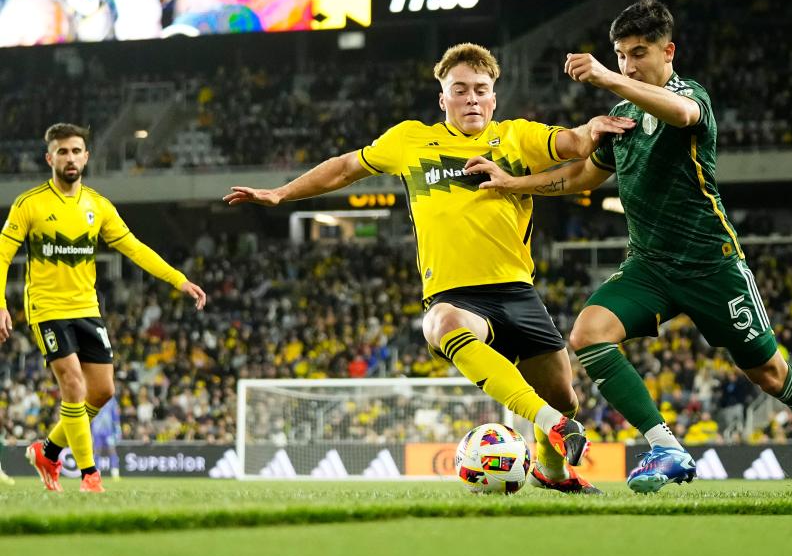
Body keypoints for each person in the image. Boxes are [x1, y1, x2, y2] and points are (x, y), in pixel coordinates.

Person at [463, 0, 792, 496]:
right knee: (589, 333)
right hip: (649, 267)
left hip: (710, 264)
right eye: (620, 55)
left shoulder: (689, 96)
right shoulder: (623, 114)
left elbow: (681, 113)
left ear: (667, 51)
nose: (629, 65)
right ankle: (666, 447)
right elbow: (581, 175)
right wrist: (511, 184)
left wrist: (609, 78)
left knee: (767, 372)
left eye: (639, 54)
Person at [225, 43, 635, 493]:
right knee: (442, 322)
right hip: (457, 295)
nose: (472, 98)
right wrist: (283, 193)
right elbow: (344, 168)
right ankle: (550, 423)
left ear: (494, 96)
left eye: (481, 90)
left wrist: (593, 127)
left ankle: (551, 470)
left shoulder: (518, 138)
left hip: (517, 291)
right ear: (443, 99)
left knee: (564, 395)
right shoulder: (411, 140)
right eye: (460, 90)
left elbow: (575, 142)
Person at [0, 122, 206, 493]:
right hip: (47, 309)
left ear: (86, 156)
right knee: (74, 384)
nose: (70, 157)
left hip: (86, 307)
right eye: (62, 151)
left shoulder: (98, 206)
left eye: (76, 150)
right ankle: (90, 476)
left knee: (103, 391)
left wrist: (179, 279)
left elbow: (135, 249)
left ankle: (47, 451)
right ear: (50, 158)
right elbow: (2, 254)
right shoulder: (29, 204)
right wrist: (0, 303)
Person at [92, 395, 121, 479]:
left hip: (109, 431)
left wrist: (117, 429)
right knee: (97, 451)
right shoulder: (94, 398)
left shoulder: (112, 400)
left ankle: (115, 473)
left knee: (112, 450)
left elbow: (115, 415)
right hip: (97, 430)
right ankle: (96, 473)